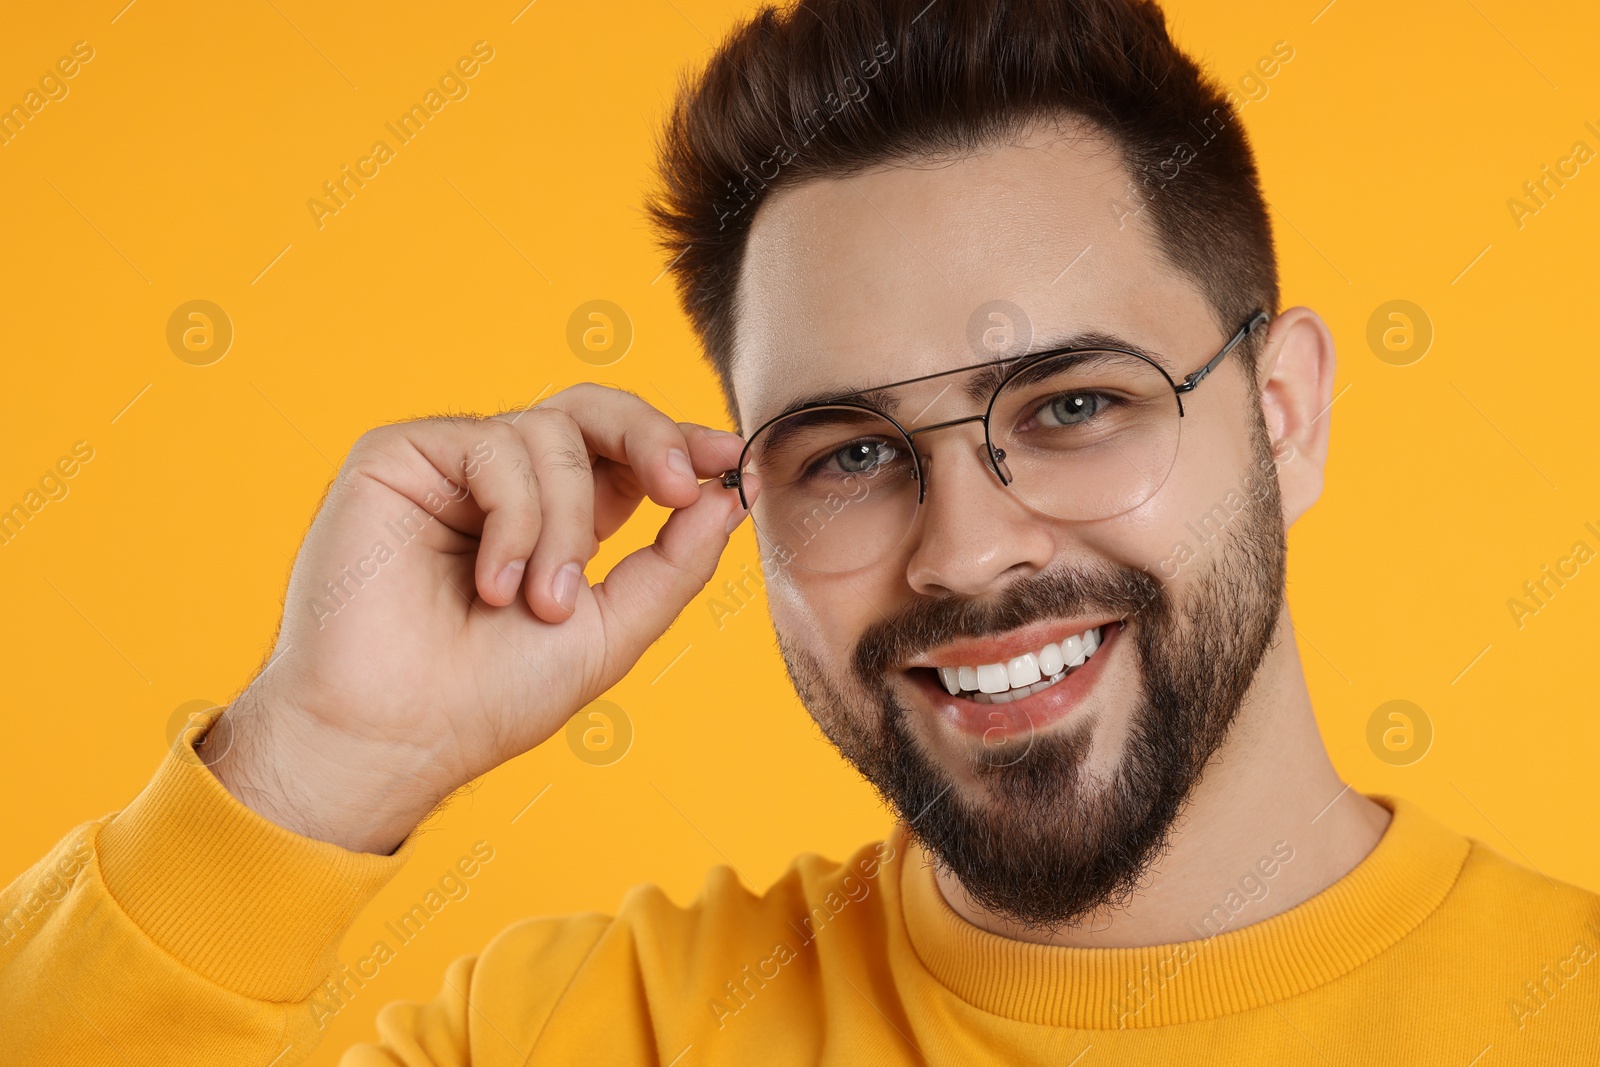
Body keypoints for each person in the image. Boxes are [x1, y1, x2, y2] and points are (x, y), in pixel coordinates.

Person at [6, 0, 1597, 1062]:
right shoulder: (587, 1034)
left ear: (1286, 412)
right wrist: (314, 761)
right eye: (848, 454)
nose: (965, 553)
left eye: (1071, 406)